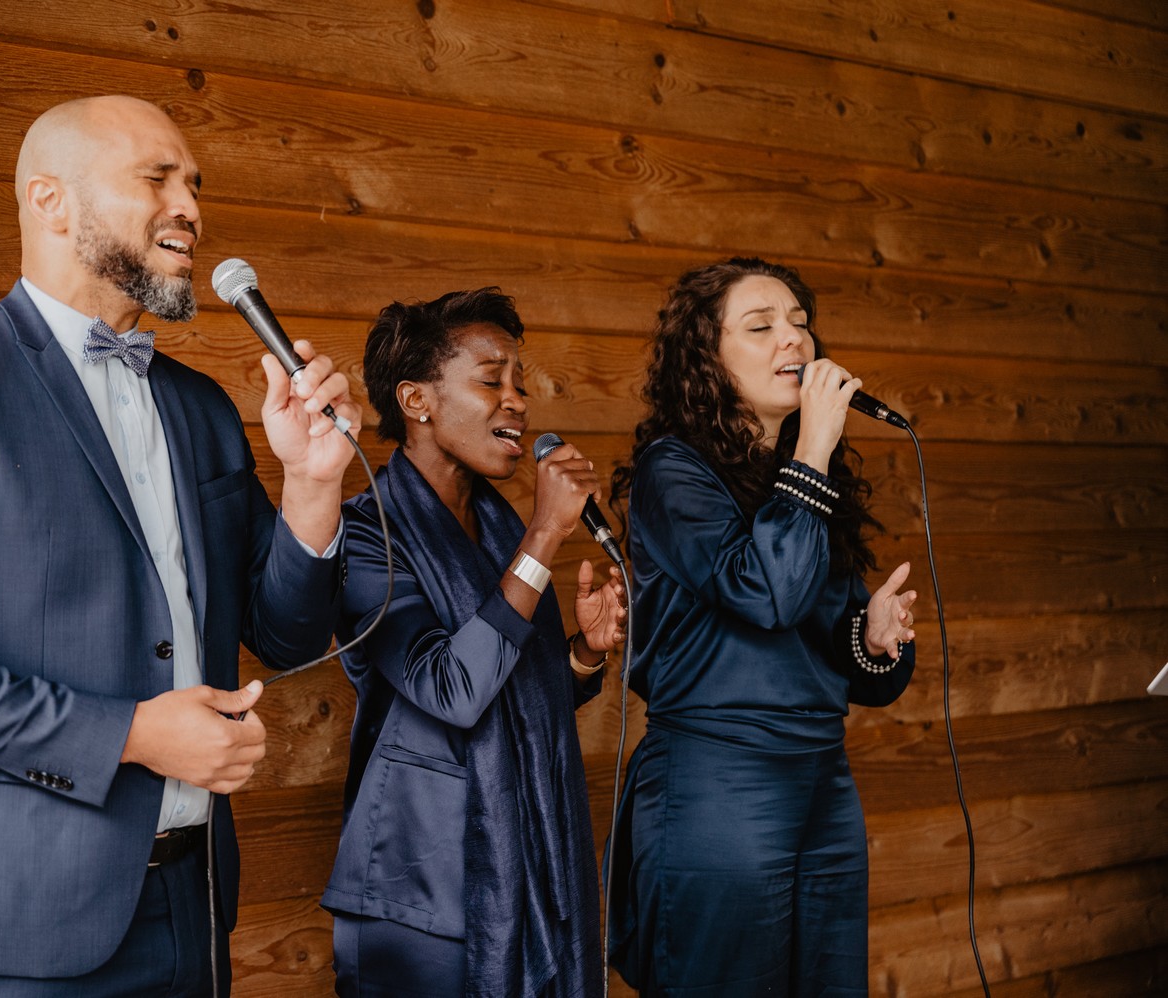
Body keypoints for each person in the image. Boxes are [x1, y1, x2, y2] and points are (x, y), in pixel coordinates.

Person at [0, 95, 361, 996]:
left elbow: (288, 636)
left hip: (189, 909)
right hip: (12, 927)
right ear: (51, 202)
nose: (189, 205)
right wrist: (133, 734)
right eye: (157, 178)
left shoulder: (200, 409)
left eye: (193, 183)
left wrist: (312, 484)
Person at [605, 258, 919, 996]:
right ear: (706, 359)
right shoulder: (673, 473)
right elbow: (764, 595)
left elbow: (840, 660)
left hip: (822, 779)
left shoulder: (805, 488)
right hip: (720, 779)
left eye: (801, 324)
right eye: (762, 326)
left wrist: (871, 640)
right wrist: (811, 449)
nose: (795, 342)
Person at [321, 288, 627, 997]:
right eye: (492, 380)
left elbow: (515, 682)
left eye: (519, 383)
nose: (516, 401)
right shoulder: (365, 536)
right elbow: (452, 688)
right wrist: (546, 534)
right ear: (417, 401)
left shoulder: (494, 529)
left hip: (532, 870)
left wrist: (582, 653)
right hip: (421, 892)